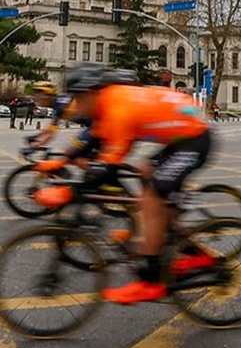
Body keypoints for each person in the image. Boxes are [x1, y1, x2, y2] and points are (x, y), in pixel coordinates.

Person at [62, 63, 213, 305]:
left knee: (153, 200)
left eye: (78, 99)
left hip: (194, 139)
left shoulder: (119, 108)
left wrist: (70, 191)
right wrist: (63, 160)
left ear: (92, 92)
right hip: (182, 137)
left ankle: (150, 282)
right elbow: (94, 140)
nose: (76, 106)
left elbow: (108, 166)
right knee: (146, 173)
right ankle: (189, 250)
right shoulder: (109, 103)